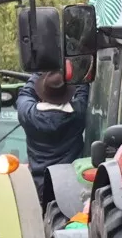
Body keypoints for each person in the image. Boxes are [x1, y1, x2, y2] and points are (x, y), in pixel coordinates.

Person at [16, 69, 90, 205]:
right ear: (67, 94)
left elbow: (25, 93)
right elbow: (83, 88)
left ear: (42, 93)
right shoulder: (78, 114)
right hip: (72, 189)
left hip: (37, 188)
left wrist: (40, 71)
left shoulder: (28, 115)